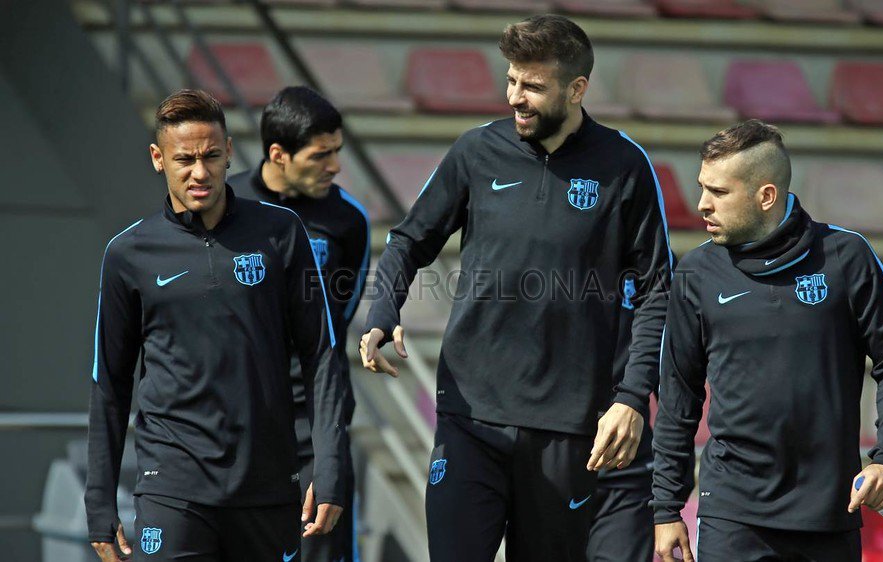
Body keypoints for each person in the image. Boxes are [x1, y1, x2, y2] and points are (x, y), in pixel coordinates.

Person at [360, 14, 672, 562]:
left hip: (568, 429)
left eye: (532, 86)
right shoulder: (476, 151)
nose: (514, 98)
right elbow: (409, 240)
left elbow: (656, 292)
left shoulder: (625, 166)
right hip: (469, 415)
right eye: (510, 80)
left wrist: (631, 398)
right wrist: (384, 310)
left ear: (576, 89)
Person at [86, 89, 348, 562]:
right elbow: (110, 382)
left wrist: (329, 464)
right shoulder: (127, 253)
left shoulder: (281, 232)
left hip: (266, 487)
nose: (199, 172)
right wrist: (99, 497)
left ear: (229, 151)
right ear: (158, 159)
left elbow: (321, 356)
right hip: (171, 488)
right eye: (184, 159)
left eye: (210, 156)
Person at [652, 120, 883, 562]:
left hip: (829, 513)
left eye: (718, 192)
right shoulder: (696, 274)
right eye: (702, 188)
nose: (702, 204)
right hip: (731, 514)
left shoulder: (846, 257)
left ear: (766, 196)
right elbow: (678, 395)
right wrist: (665, 507)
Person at [230, 85, 369, 562]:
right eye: (320, 155)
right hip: (238, 419)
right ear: (278, 154)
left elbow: (338, 319)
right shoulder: (226, 206)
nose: (335, 166)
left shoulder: (348, 220)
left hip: (314, 423)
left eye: (337, 152)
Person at [587, 274, 661, 562]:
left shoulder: (657, 266)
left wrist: (677, 462)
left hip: (627, 471)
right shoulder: (547, 268)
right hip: (549, 466)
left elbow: (675, 372)